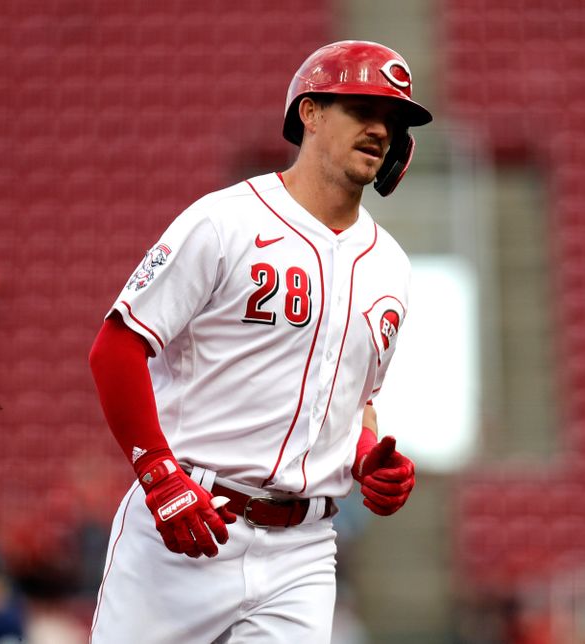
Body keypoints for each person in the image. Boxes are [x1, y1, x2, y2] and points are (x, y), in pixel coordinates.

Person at [88, 40, 432, 643]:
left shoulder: (392, 267)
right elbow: (116, 348)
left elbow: (356, 397)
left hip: (303, 551)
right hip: (187, 525)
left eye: (394, 118)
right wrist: (159, 475)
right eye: (363, 109)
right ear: (312, 112)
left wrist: (365, 455)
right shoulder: (225, 220)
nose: (380, 128)